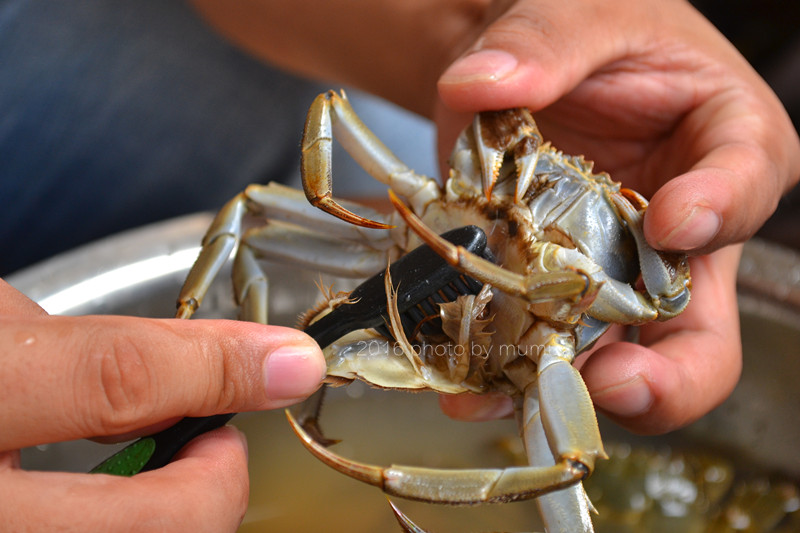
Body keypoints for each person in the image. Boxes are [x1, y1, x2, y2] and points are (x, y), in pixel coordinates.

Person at [1, 0, 798, 531]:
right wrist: (476, 37)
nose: (564, 187)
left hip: (550, 329)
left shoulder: (603, 278)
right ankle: (228, 344)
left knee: (567, 468)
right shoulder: (478, 183)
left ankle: (377, 468)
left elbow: (653, 300)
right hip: (414, 239)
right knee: (245, 200)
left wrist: (476, 30)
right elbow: (298, 157)